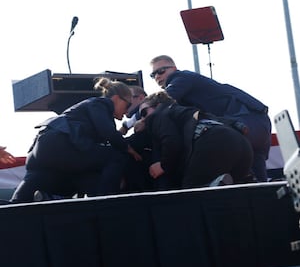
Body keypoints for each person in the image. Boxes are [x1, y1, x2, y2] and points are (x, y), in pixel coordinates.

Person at [10, 77, 142, 203]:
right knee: (115, 156)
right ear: (116, 99)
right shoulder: (101, 104)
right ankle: (106, 201)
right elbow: (107, 132)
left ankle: (15, 206)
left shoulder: (83, 109)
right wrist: (127, 148)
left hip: (42, 149)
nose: (127, 111)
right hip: (62, 143)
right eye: (127, 105)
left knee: (38, 178)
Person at [149, 55, 271, 182]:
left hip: (244, 120)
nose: (157, 76)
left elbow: (164, 98)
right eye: (153, 75)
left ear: (174, 69)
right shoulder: (186, 89)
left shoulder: (181, 77)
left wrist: (133, 118)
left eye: (161, 71)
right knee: (258, 181)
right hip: (256, 123)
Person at [137, 91, 253, 189]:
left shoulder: (158, 115)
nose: (142, 119)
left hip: (211, 141)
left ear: (158, 105)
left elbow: (171, 141)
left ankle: (213, 186)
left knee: (192, 194)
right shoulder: (186, 112)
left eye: (143, 113)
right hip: (242, 143)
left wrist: (163, 165)